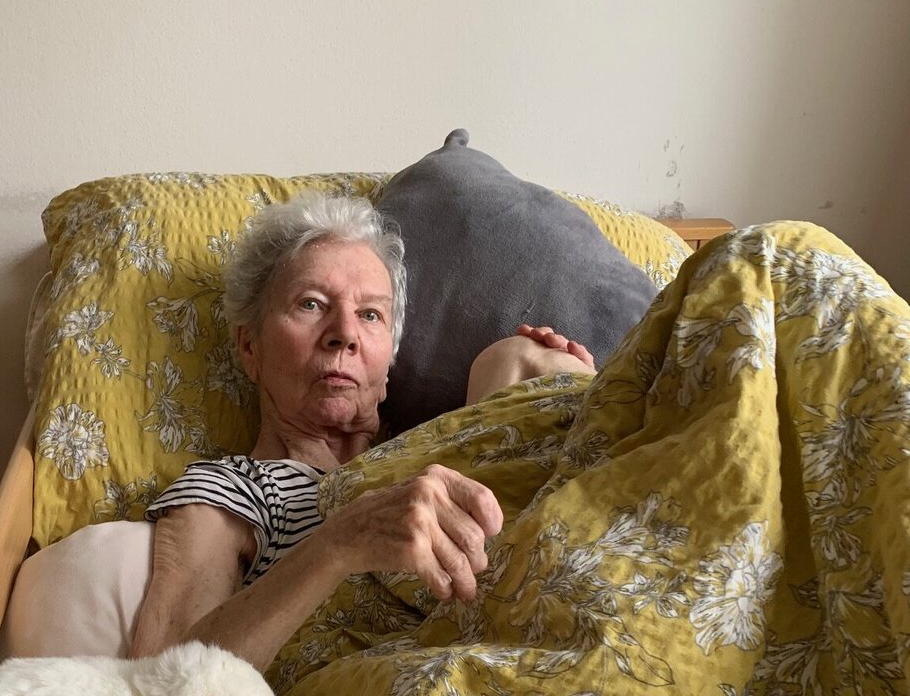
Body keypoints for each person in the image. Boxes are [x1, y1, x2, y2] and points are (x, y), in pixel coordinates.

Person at [129, 192, 594, 671]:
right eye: (311, 304)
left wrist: (581, 398)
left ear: (388, 363)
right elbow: (162, 679)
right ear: (251, 348)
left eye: (370, 314)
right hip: (406, 693)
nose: (345, 333)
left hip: (562, 648)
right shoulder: (232, 489)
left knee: (517, 358)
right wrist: (341, 543)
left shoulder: (438, 447)